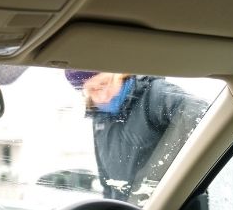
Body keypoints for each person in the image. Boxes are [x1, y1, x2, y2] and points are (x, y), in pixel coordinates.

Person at [65, 70, 208, 201]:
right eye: (92, 90)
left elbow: (199, 114)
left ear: (120, 73)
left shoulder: (154, 94)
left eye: (104, 83)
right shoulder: (99, 118)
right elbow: (106, 181)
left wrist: (153, 177)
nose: (102, 96)